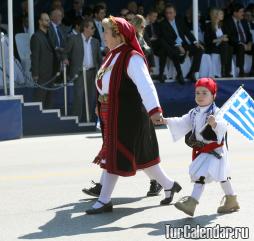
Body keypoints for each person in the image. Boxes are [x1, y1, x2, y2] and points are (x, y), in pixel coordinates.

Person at [85, 16, 182, 214]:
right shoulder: (112, 55)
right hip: (113, 112)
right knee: (143, 158)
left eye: (106, 32)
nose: (103, 35)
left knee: (115, 153)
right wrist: (99, 103)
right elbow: (104, 83)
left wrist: (155, 111)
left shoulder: (131, 57)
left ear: (118, 35)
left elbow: (146, 85)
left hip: (128, 116)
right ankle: (170, 185)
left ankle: (104, 200)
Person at [162, 77, 240, 216]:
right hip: (204, 151)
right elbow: (182, 122)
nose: (200, 96)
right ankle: (231, 199)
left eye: (205, 93)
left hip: (216, 151)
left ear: (213, 95)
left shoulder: (216, 112)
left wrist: (215, 124)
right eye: (197, 93)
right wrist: (166, 120)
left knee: (203, 177)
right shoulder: (194, 112)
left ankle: (192, 203)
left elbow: (223, 126)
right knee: (220, 177)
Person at [63, 17, 102, 122]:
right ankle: (76, 120)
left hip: (92, 72)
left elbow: (99, 59)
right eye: (92, 28)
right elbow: (65, 52)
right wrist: (65, 59)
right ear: (85, 28)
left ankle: (89, 120)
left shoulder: (96, 42)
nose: (94, 30)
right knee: (78, 96)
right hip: (79, 72)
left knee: (91, 97)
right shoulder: (73, 39)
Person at [159, 4, 204, 84]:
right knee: (176, 52)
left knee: (199, 49)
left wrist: (195, 42)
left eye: (170, 13)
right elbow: (167, 39)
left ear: (175, 13)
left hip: (184, 45)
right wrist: (178, 46)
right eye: (167, 13)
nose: (168, 15)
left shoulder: (179, 20)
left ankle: (192, 73)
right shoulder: (163, 24)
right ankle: (179, 74)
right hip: (172, 46)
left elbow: (187, 32)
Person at [30, 13, 55, 109]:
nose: (48, 22)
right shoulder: (36, 37)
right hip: (42, 74)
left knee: (49, 100)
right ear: (40, 22)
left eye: (49, 20)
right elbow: (34, 56)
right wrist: (35, 74)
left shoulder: (49, 35)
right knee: (39, 99)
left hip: (51, 73)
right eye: (46, 20)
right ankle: (36, 120)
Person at [204, 8, 233, 77]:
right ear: (215, 15)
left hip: (222, 46)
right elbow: (208, 41)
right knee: (225, 45)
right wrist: (220, 39)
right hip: (212, 46)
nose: (223, 15)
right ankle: (224, 69)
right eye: (221, 14)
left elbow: (227, 36)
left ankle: (227, 70)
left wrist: (224, 38)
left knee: (229, 47)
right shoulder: (209, 25)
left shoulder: (222, 25)